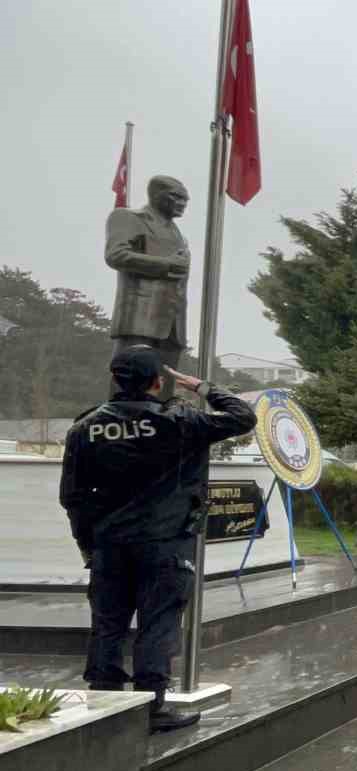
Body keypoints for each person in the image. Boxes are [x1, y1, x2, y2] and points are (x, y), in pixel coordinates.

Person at [59, 346, 256, 733]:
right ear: (157, 381)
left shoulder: (85, 427)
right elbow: (242, 416)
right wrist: (202, 386)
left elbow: (72, 497)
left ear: (115, 378)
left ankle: (104, 702)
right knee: (158, 622)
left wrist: (88, 545)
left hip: (109, 544)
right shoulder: (179, 419)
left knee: (108, 623)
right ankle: (152, 709)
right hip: (165, 543)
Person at [104, 177, 191, 401]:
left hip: (173, 324)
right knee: (128, 389)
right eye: (177, 196)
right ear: (155, 194)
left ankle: (161, 432)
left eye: (185, 199)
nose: (183, 202)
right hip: (139, 318)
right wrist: (167, 265)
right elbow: (116, 255)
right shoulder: (128, 218)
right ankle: (121, 431)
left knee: (163, 393)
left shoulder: (177, 232)